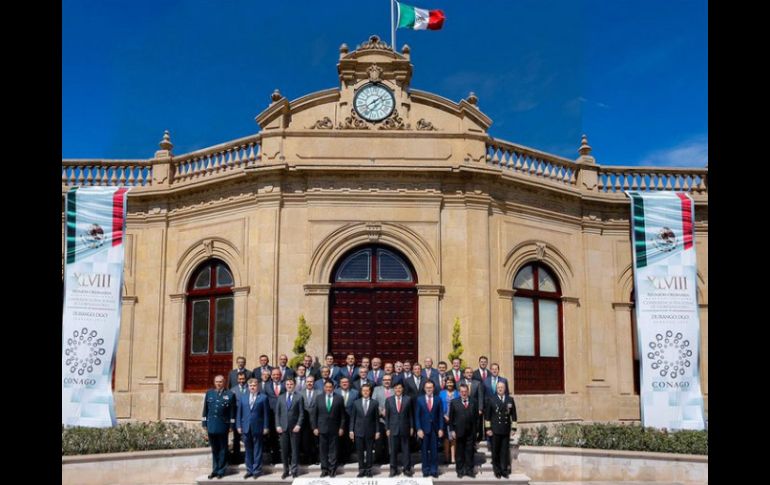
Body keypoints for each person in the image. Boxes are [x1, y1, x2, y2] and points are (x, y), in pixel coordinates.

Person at [202, 375, 236, 479]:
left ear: (224, 382)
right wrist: (204, 423)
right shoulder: (209, 393)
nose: (218, 383)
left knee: (223, 449)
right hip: (211, 425)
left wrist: (231, 425)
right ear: (214, 382)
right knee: (214, 449)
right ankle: (215, 470)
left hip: (223, 425)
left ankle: (221, 470)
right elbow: (205, 410)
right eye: (217, 381)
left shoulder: (230, 394)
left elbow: (232, 412)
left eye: (221, 381)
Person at [311, 380, 347, 478]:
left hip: (334, 429)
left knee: (333, 450)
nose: (328, 389)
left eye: (330, 387)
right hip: (321, 429)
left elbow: (343, 416)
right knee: (323, 450)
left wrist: (341, 428)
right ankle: (324, 469)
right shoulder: (319, 398)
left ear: (333, 388)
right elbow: (314, 415)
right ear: (324, 387)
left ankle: (332, 469)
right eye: (326, 387)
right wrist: (314, 427)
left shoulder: (339, 398)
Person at [236, 378, 270, 479]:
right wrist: (238, 426)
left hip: (258, 427)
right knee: (248, 449)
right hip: (245, 427)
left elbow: (266, 414)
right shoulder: (243, 398)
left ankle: (257, 470)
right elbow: (239, 413)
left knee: (258, 449)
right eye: (251, 385)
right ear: (248, 386)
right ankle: (249, 470)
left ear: (257, 386)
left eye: (254, 385)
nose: (252, 387)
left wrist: (266, 427)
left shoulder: (263, 398)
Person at [485, 380, 518, 479]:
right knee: (496, 451)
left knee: (504, 451)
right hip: (495, 429)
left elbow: (514, 415)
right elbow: (487, 416)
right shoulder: (491, 399)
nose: (500, 389)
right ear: (496, 389)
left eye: (502, 387)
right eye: (498, 387)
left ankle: (504, 470)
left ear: (505, 389)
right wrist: (488, 428)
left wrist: (513, 428)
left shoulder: (510, 400)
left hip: (505, 429)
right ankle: (497, 470)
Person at [349, 383, 380, 477]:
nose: (366, 392)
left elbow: (376, 419)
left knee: (370, 451)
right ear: (361, 392)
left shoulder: (374, 403)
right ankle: (362, 469)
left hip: (370, 431)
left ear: (370, 392)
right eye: (364, 390)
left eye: (367, 390)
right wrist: (351, 430)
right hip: (358, 431)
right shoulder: (356, 403)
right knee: (360, 451)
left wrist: (377, 431)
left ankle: (369, 470)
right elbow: (352, 418)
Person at [414, 380, 444, 478]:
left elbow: (440, 415)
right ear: (424, 389)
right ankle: (425, 470)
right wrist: (418, 429)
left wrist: (441, 428)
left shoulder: (438, 399)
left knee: (434, 451)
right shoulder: (419, 399)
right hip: (423, 430)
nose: (429, 389)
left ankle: (434, 469)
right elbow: (417, 416)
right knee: (424, 450)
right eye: (427, 388)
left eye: (431, 387)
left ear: (434, 388)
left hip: (435, 429)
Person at [449, 383, 478, 478]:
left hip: (471, 431)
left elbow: (477, 418)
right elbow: (451, 418)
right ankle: (460, 470)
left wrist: (477, 431)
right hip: (459, 431)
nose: (464, 393)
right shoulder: (454, 402)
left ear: (468, 392)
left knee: (470, 451)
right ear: (459, 392)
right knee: (460, 452)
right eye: (462, 392)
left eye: (465, 391)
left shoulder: (474, 401)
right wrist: (452, 430)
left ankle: (469, 470)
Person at [275, 378, 303, 479]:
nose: (289, 386)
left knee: (295, 450)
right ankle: (286, 470)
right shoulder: (281, 397)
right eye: (287, 384)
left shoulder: (299, 397)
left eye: (291, 384)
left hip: (295, 428)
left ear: (294, 385)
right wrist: (278, 425)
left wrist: (298, 425)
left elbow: (301, 413)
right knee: (284, 450)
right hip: (283, 428)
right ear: (285, 386)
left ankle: (294, 470)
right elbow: (277, 413)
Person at [384, 382, 413, 477]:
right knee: (393, 450)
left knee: (406, 449)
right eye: (396, 388)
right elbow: (387, 416)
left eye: (400, 388)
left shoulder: (408, 399)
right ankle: (393, 469)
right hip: (393, 428)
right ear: (394, 389)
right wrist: (387, 428)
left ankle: (407, 469)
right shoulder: (389, 400)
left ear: (402, 389)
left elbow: (410, 415)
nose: (398, 390)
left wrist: (412, 427)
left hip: (405, 428)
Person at [335, 376, 359, 464]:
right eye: (342, 382)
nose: (344, 384)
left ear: (349, 383)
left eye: (346, 382)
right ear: (340, 384)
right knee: (339, 439)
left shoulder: (355, 393)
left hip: (351, 419)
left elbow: (357, 406)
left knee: (348, 440)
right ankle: (339, 458)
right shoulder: (335, 392)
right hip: (338, 420)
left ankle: (347, 457)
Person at [264, 368, 285, 463]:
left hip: (283, 415)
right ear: (271, 376)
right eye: (274, 375)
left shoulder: (285, 385)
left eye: (278, 375)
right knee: (273, 437)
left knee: (284, 437)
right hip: (272, 415)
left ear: (281, 376)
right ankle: (275, 458)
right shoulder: (267, 386)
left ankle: (285, 458)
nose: (276, 376)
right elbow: (265, 400)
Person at [229, 372, 249, 464]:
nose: (241, 381)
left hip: (248, 418)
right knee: (236, 438)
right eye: (240, 379)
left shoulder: (250, 388)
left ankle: (248, 458)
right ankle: (236, 459)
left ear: (245, 379)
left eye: (243, 379)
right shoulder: (233, 390)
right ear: (237, 380)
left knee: (248, 438)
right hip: (237, 418)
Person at [299, 376, 319, 465]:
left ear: (314, 382)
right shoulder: (300, 393)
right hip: (304, 422)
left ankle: (316, 459)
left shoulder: (319, 393)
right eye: (308, 382)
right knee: (305, 441)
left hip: (316, 421)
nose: (309, 383)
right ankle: (306, 459)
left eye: (311, 381)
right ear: (305, 383)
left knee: (316, 441)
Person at [439, 377, 459, 464]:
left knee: (453, 438)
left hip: (455, 419)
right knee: (446, 439)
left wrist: (453, 417)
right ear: (445, 383)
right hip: (444, 419)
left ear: (454, 383)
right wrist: (444, 416)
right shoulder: (441, 393)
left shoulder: (458, 393)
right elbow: (439, 407)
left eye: (451, 382)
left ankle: (453, 458)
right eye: (448, 382)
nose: (449, 384)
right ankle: (446, 458)